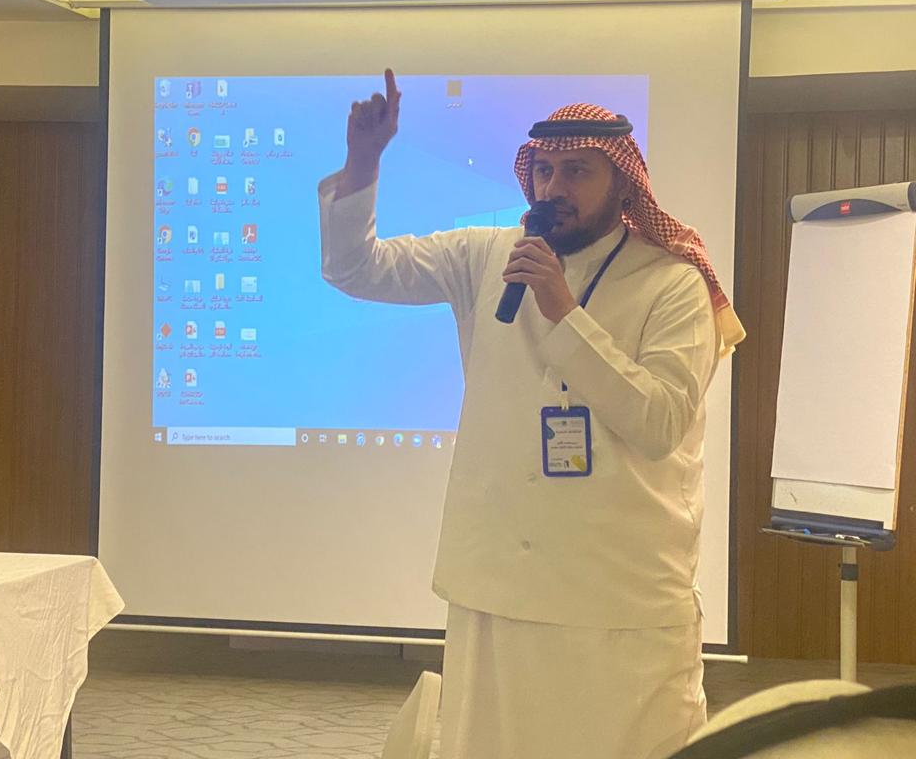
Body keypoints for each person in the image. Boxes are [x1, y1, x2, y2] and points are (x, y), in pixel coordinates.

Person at [318, 69, 746, 759]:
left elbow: (660, 423)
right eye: (544, 170)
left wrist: (565, 313)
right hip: (499, 586)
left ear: (622, 183)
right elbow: (355, 268)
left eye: (576, 172)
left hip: (618, 591)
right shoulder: (486, 256)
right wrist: (363, 163)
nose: (554, 189)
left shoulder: (672, 283)